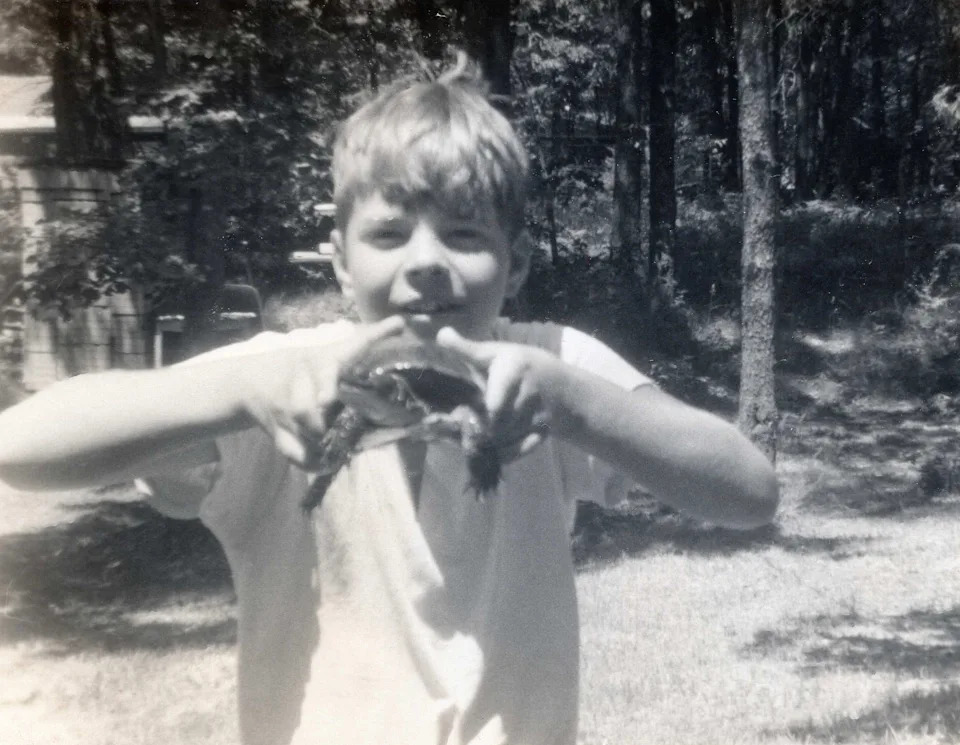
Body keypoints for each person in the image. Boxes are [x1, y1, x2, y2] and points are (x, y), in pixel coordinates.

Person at [0, 55, 779, 745]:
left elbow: (748, 490)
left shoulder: (543, 367)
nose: (427, 264)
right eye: (390, 234)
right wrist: (233, 394)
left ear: (519, 264)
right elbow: (20, 446)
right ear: (340, 262)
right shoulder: (283, 382)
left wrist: (575, 403)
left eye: (467, 235)